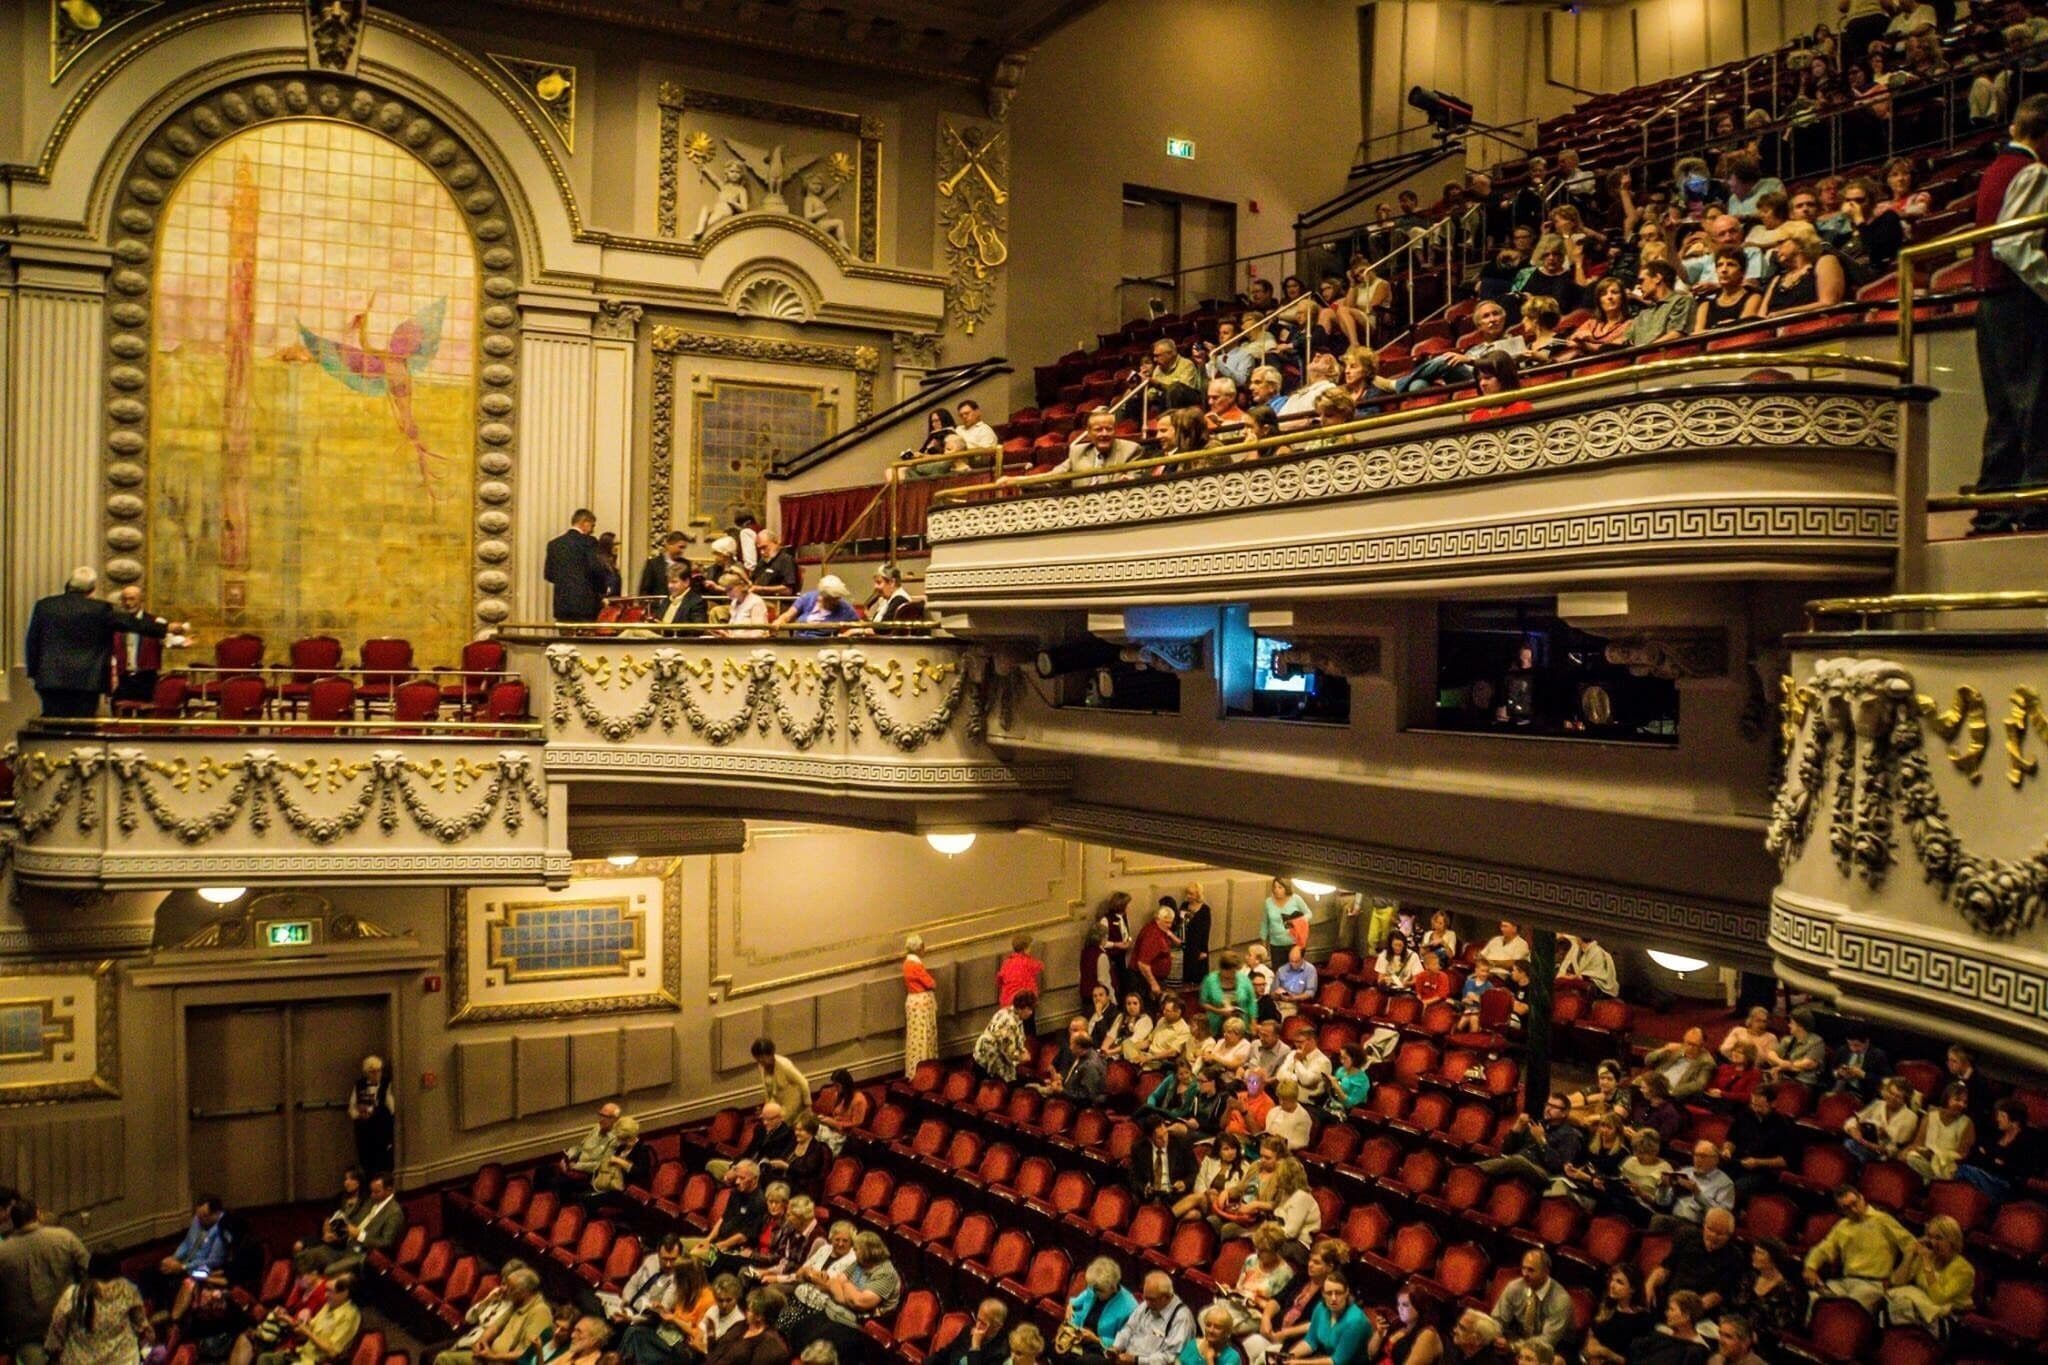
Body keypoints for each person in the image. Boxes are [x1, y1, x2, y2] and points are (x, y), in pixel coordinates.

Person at [1968, 95, 2048, 530]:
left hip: (1991, 301)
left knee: (2003, 408)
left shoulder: (1996, 169)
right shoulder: (2033, 171)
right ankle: (2038, 501)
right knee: (2036, 402)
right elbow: (2015, 245)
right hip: (2020, 300)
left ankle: (1995, 505)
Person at [25, 568, 180, 718]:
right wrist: (165, 628)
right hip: (87, 681)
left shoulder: (44, 606)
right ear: (92, 589)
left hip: (50, 679)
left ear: (69, 584)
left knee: (52, 726)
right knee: (81, 728)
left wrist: (34, 672)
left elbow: (32, 641)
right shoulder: (100, 609)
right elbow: (133, 624)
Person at [0, 1197, 89, 1365]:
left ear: (12, 1220)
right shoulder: (65, 1238)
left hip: (25, 1333)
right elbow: (88, 1271)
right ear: (37, 1214)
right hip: (66, 1324)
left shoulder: (3, 1253)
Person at [1803, 1187, 1915, 1311]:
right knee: (1815, 1299)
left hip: (1873, 1284)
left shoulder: (1883, 1220)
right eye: (1847, 1208)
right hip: (1845, 1282)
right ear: (1841, 1210)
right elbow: (1824, 1248)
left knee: (1849, 1307)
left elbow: (1911, 1245)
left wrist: (1897, 1276)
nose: (1853, 1210)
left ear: (1862, 1198)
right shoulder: (1842, 1226)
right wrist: (1810, 1267)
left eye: (1854, 1203)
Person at [43, 1254, 146, 1365]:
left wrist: (52, 1350)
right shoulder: (129, 1291)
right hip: (124, 1360)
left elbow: (57, 1327)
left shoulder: (73, 1295)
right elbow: (141, 1325)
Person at [1882, 1215, 1975, 1327]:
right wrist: (1910, 1256)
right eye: (1930, 1237)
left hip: (1949, 1319)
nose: (1932, 1242)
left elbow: (1938, 1299)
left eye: (1939, 1238)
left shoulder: (1964, 1270)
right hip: (1922, 1309)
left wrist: (1926, 1262)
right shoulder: (1928, 1256)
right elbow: (1897, 1282)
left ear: (1952, 1241)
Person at [1647, 1210, 1742, 1318]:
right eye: (1709, 1229)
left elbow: (1717, 1295)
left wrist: (1688, 1311)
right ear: (1704, 1225)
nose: (1712, 1235)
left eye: (1719, 1234)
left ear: (1729, 1236)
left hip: (1698, 1310)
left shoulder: (1734, 1256)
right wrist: (1650, 1283)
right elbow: (1665, 1268)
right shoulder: (1687, 1236)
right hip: (1670, 1299)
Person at [250, 1272, 359, 1365]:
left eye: (330, 1291)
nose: (326, 1295)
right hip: (301, 1353)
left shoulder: (349, 1316)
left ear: (345, 1293)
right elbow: (308, 1327)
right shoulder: (329, 1305)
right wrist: (288, 1319)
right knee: (265, 1358)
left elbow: (332, 1352)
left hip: (315, 1362)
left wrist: (306, 1332)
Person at [153, 1195, 231, 1321]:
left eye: (203, 1217)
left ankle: (173, 1316)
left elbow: (213, 1261)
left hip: (205, 1269)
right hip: (186, 1262)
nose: (199, 1221)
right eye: (198, 1216)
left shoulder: (223, 1229)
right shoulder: (198, 1219)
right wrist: (174, 1258)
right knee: (157, 1270)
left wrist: (183, 1267)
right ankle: (160, 1308)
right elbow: (187, 1243)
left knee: (181, 1281)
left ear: (216, 1214)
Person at [108, 584, 178, 707]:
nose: (128, 603)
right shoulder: (115, 623)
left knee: (145, 715)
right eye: (125, 599)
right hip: (122, 677)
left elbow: (169, 640)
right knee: (119, 716)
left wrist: (181, 640)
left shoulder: (155, 622)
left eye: (132, 599)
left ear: (141, 600)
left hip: (146, 677)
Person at [1218, 1226, 1292, 1337]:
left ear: (1276, 1250)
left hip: (1256, 1315)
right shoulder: (1251, 1260)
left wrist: (1256, 1301)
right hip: (1238, 1305)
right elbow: (1240, 1288)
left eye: (1263, 1251)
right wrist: (1229, 1290)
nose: (1258, 1253)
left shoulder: (1285, 1274)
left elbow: (1278, 1309)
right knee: (1205, 1315)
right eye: (1257, 1248)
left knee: (1221, 1326)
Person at [1759, 221, 1847, 314]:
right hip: (1773, 327)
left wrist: (1783, 314)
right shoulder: (1776, 279)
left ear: (1800, 242)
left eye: (1781, 242)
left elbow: (1829, 303)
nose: (1776, 248)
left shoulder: (1825, 262)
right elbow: (1761, 316)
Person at [1490, 1252, 1570, 1353]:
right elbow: (1498, 1319)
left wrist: (1513, 1347)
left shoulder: (1560, 1300)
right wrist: (1496, 1336)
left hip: (1550, 1352)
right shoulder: (1515, 1287)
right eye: (1523, 1268)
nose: (1525, 1274)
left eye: (1531, 1270)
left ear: (1546, 1272)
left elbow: (1547, 1340)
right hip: (1517, 1341)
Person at [545, 510, 611, 622]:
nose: (593, 530)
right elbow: (595, 569)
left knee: (564, 638)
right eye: (592, 525)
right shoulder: (589, 542)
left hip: (562, 605)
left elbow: (549, 574)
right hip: (585, 604)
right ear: (585, 522)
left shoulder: (554, 544)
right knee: (584, 638)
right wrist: (603, 590)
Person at [1288, 1274, 1367, 1365]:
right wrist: (1288, 1357)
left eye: (1338, 1293)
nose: (1333, 1298)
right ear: (1323, 1293)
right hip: (1326, 1356)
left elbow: (1337, 1361)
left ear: (1346, 1292)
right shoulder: (1321, 1307)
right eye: (1329, 1293)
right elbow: (1310, 1341)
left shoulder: (1355, 1321)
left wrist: (1299, 1363)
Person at [1580, 1267, 1650, 1365]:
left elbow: (1634, 1360)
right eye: (1612, 1280)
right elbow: (1591, 1333)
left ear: (1632, 1289)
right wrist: (1591, 1346)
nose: (1612, 1285)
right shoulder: (1606, 1305)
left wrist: (1605, 1352)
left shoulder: (1642, 1319)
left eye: (1619, 1282)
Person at [1843, 1077, 1921, 1163]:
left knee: (1851, 1150)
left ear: (1905, 1100)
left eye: (1898, 1096)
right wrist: (1854, 1130)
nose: (1892, 1098)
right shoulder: (1878, 1104)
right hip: (1863, 1144)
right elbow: (1854, 1120)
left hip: (1884, 1157)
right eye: (1891, 1093)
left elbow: (1897, 1149)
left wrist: (1876, 1143)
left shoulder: (1910, 1118)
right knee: (1847, 1145)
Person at [1625, 1291, 1709, 1365]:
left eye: (1672, 1310)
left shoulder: (1696, 1350)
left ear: (1686, 1316)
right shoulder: (1662, 1333)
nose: (1666, 1313)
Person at [1628, 260, 1694, 347]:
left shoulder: (1681, 301)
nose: (1639, 286)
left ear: (1657, 278)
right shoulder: (1644, 313)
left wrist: (1643, 351)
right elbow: (1626, 339)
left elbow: (1676, 335)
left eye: (1642, 281)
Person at [1694, 248, 1763, 330]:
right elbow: (1697, 334)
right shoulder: (1705, 305)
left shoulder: (1753, 297)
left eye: (1731, 264)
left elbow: (1745, 329)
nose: (1724, 270)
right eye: (1720, 265)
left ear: (1742, 272)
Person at [971, 992, 1034, 1081]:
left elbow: (1018, 1040)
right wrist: (1023, 1057)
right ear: (1020, 1008)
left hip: (983, 1054)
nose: (1031, 1013)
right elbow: (1009, 1052)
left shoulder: (1007, 1011)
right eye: (1029, 1009)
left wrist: (1023, 1050)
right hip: (987, 1060)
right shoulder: (1010, 1023)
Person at [1641, 1030, 1715, 1101]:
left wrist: (1673, 1091)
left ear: (1702, 1045)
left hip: (1672, 1092)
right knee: (1634, 1089)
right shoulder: (1677, 1049)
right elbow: (1648, 1061)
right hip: (1655, 1082)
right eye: (1687, 1043)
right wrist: (1664, 1049)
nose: (1689, 1047)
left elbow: (1699, 1084)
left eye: (1694, 1045)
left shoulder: (1707, 1062)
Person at [901, 935, 938, 1078]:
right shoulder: (915, 965)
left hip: (913, 1002)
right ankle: (924, 1071)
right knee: (923, 1037)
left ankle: (914, 1069)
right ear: (918, 948)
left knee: (915, 1038)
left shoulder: (906, 964)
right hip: (921, 1005)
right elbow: (931, 983)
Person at [1130, 906, 1176, 1009]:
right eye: (1166, 922)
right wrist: (1153, 983)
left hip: (1153, 978)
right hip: (1144, 981)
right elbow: (1143, 964)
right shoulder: (1153, 935)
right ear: (1157, 920)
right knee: (1149, 1009)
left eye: (1171, 922)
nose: (1170, 925)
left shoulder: (1160, 929)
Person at [775, 576, 857, 631]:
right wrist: (778, 621)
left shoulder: (845, 608)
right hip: (799, 641)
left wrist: (850, 633)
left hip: (826, 645)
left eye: (837, 598)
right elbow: (787, 615)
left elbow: (861, 627)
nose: (836, 601)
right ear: (822, 597)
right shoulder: (808, 598)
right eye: (832, 599)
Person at [1262, 880, 1310, 959]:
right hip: (1276, 944)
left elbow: (1309, 914)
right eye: (1274, 887)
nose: (1276, 890)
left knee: (1294, 968)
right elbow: (1264, 923)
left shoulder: (1296, 899)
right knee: (1278, 970)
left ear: (1286, 888)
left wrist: (1296, 921)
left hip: (1294, 943)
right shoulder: (1268, 902)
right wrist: (1263, 945)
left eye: (1280, 887)